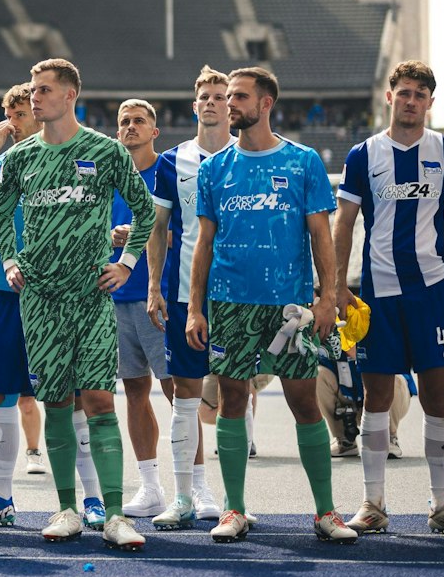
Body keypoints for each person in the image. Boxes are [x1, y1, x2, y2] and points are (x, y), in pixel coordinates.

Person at [0, 58, 156, 550]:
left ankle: (115, 514)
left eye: (43, 90)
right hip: (39, 299)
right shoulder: (20, 158)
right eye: (34, 90)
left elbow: (144, 209)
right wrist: (12, 259)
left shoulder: (104, 151)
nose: (34, 98)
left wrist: (126, 263)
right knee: (55, 401)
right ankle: (66, 508)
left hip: (90, 295)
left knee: (101, 400)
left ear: (69, 96)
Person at [185, 67, 356, 544]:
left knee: (304, 402)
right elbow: (204, 243)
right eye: (226, 96)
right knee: (231, 400)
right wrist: (196, 308)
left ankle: (326, 512)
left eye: (238, 96)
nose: (228, 103)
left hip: (289, 305)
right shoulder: (215, 167)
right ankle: (234, 508)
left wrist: (326, 297)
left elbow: (321, 234)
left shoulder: (302, 162)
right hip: (230, 302)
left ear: (265, 104)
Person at [333, 60, 444, 536]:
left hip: (431, 292)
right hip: (379, 293)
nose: (410, 101)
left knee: (437, 397)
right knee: (376, 397)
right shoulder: (364, 155)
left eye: (420, 94)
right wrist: (338, 285)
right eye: (403, 92)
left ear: (429, 102)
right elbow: (344, 222)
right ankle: (373, 504)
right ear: (389, 96)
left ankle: (443, 505)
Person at [0, 84, 67, 529]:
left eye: (19, 112)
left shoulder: (66, 156)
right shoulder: (3, 162)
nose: (13, 120)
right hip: (6, 290)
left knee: (65, 396)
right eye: (9, 113)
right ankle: (1, 496)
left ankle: (79, 501)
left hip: (57, 292)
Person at [145, 67, 235, 527]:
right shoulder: (172, 161)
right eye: (206, 95)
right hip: (184, 296)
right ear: (194, 104)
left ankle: (235, 501)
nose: (213, 102)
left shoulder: (251, 155)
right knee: (185, 392)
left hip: (242, 295)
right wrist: (154, 286)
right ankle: (186, 493)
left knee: (237, 393)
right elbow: (157, 229)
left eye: (221, 95)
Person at [110, 99, 170, 519]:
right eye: (124, 122)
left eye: (139, 122)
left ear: (155, 131)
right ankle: (150, 486)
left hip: (158, 296)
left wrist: (144, 234)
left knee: (177, 392)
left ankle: (196, 486)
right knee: (134, 391)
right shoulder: (109, 175)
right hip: (115, 299)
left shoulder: (167, 172)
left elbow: (185, 229)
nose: (131, 128)